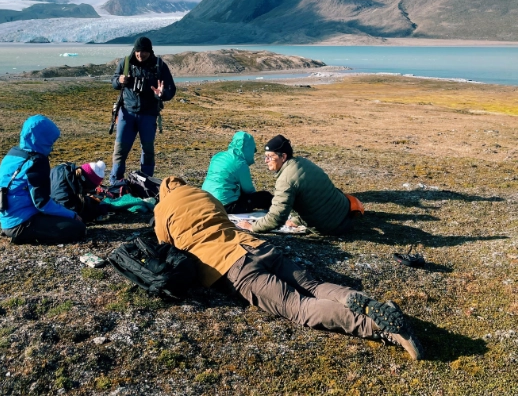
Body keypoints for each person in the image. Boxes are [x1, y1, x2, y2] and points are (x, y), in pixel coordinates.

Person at [154, 177, 422, 360]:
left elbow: (165, 247)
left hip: (232, 265)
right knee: (313, 286)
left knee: (298, 306)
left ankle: (379, 326)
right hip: (255, 245)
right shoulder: (204, 194)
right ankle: (369, 304)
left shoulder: (162, 208)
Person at [237, 135, 363, 235]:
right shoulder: (303, 162)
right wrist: (298, 220)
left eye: (270, 157)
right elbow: (313, 198)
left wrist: (252, 227)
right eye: (265, 157)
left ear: (283, 156)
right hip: (344, 211)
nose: (266, 161)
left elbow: (276, 218)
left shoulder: (286, 179)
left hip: (331, 227)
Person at [0, 115, 86, 245]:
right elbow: (42, 204)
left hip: (6, 218)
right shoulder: (37, 162)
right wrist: (72, 215)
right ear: (43, 139)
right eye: (50, 141)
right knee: (78, 228)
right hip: (22, 223)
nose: (52, 146)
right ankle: (27, 235)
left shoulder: (13, 153)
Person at [109, 36, 176, 184]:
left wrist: (161, 94)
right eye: (138, 51)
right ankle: (115, 183)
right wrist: (118, 81)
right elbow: (113, 81)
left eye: (144, 51)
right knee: (120, 150)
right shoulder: (126, 63)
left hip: (148, 114)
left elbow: (171, 89)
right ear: (134, 50)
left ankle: (146, 183)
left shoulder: (159, 65)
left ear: (150, 51)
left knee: (147, 150)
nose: (140, 54)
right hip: (127, 113)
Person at [201, 131, 273, 213]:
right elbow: (248, 190)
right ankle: (278, 213)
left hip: (207, 200)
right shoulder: (240, 164)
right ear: (248, 149)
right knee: (265, 197)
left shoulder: (218, 156)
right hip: (226, 205)